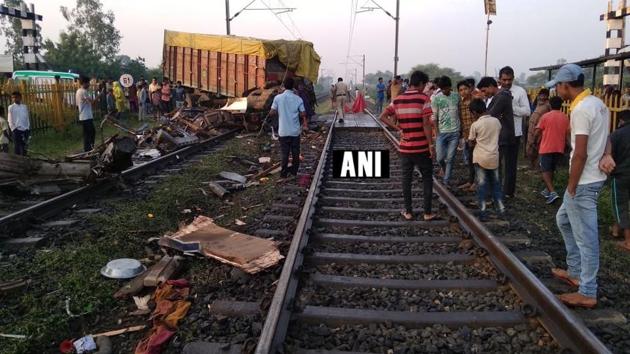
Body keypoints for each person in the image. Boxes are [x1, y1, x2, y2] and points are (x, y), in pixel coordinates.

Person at [548, 64, 610, 308]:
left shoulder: (582, 110)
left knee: (586, 238)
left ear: (566, 84)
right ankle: (574, 271)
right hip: (589, 179)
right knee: (563, 221)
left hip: (583, 182)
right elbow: (606, 137)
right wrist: (607, 153)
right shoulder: (597, 104)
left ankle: (588, 291)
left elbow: (580, 153)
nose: (557, 92)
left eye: (559, 87)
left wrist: (571, 186)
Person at [380, 70, 436, 221]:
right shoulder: (424, 98)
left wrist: (398, 128)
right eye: (424, 85)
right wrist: (431, 145)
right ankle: (427, 213)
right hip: (422, 147)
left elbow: (383, 117)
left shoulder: (398, 100)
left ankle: (409, 212)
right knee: (427, 179)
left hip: (405, 148)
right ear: (421, 83)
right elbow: (426, 124)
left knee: (406, 180)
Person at [477, 77, 516, 198]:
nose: (484, 94)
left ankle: (495, 194)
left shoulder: (502, 97)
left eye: (484, 90)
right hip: (500, 135)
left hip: (503, 136)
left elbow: (490, 114)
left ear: (490, 86)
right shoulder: (498, 97)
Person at [468, 98, 505, 220]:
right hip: (494, 157)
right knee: (495, 184)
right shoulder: (497, 122)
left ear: (474, 112)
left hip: (480, 158)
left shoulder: (476, 125)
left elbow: (471, 141)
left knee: (482, 185)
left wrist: (472, 144)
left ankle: (483, 212)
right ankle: (501, 210)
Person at [269, 77, 308, 179]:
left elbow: (272, 112)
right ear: (293, 87)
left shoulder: (278, 98)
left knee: (285, 154)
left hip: (283, 131)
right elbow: (303, 113)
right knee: (295, 153)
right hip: (295, 131)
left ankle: (283, 174)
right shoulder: (298, 99)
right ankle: (294, 172)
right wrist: (297, 114)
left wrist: (279, 111)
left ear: (284, 86)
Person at [536, 96, 570, 204]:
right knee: (551, 169)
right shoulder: (565, 117)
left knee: (545, 170)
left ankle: (553, 192)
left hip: (546, 147)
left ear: (550, 104)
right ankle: (547, 190)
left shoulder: (545, 116)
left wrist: (535, 141)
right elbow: (568, 133)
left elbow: (538, 130)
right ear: (561, 105)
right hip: (559, 147)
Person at [432, 76, 461, 185]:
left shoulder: (456, 97)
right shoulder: (436, 98)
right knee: (440, 158)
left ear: (450, 87)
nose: (445, 91)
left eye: (446, 88)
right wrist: (437, 132)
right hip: (441, 132)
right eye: (442, 89)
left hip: (455, 132)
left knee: (450, 157)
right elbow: (434, 116)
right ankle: (444, 170)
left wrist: (461, 130)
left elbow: (460, 113)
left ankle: (446, 180)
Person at [607, 110, 630, 251]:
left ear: (621, 120)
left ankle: (628, 241)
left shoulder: (616, 135)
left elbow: (609, 156)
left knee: (619, 206)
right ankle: (616, 230)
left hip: (621, 175)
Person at [499, 66, 531, 156]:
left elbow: (527, 111)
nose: (507, 82)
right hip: (497, 131)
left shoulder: (520, 91)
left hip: (514, 133)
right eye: (504, 80)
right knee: (496, 162)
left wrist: (511, 108)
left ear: (513, 78)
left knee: (511, 163)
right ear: (500, 79)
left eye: (509, 79)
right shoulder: (496, 91)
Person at [526, 89, 552, 168]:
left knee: (537, 147)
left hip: (539, 130)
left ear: (547, 97)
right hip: (531, 128)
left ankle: (537, 166)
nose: (541, 97)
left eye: (544, 95)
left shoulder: (547, 106)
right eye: (541, 95)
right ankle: (532, 164)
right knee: (530, 147)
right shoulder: (538, 104)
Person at [458, 80, 476, 190]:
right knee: (470, 159)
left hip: (477, 135)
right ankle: (471, 181)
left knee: (477, 160)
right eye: (460, 90)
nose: (463, 92)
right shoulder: (460, 103)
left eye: (465, 89)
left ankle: (476, 183)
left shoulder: (476, 101)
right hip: (467, 135)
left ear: (470, 89)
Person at [75, 77, 96, 152]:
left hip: (83, 116)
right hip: (86, 116)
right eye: (88, 83)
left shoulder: (78, 91)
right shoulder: (83, 91)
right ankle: (89, 149)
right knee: (90, 133)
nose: (89, 84)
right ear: (84, 83)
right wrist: (98, 97)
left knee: (88, 133)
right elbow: (92, 102)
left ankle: (88, 149)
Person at [7, 91, 30, 156]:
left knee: (25, 146)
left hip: (25, 129)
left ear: (20, 98)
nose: (14, 99)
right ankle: (17, 163)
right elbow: (10, 119)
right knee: (17, 147)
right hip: (17, 130)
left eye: (16, 97)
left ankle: (24, 160)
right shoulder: (11, 107)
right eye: (13, 98)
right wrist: (13, 129)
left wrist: (28, 128)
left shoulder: (24, 107)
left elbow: (27, 118)